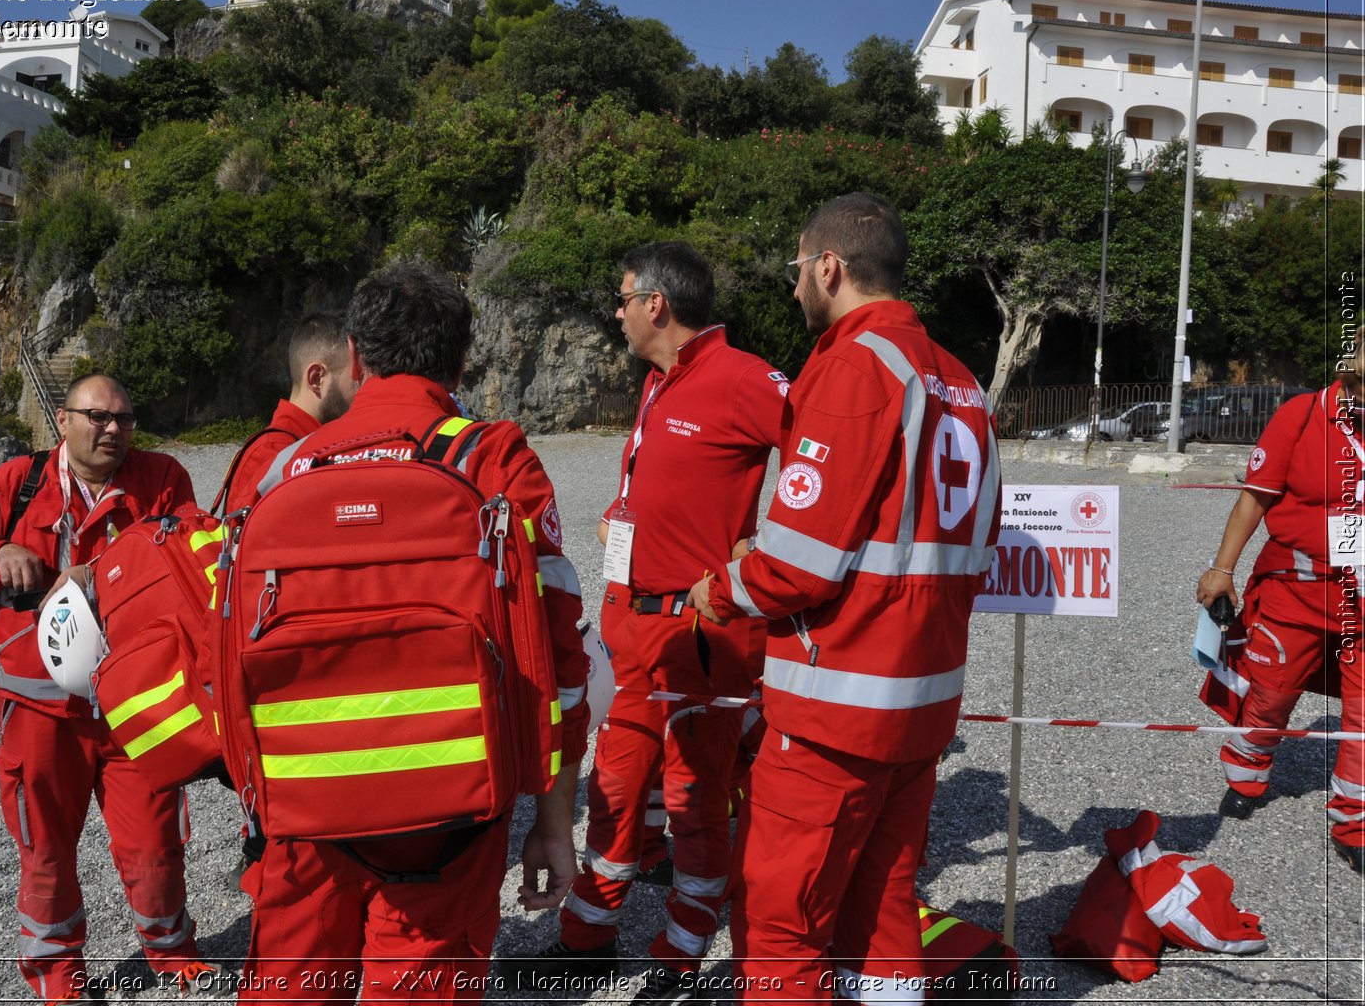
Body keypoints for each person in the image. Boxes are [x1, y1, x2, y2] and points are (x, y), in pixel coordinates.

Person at [236, 258, 591, 999]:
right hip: (450, 814)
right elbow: (561, 661)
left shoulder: (281, 470)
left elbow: (232, 646)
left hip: (305, 806)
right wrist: (554, 819)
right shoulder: (495, 462)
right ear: (463, 360)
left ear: (356, 358)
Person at [690, 194, 1001, 1003]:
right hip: (924, 701)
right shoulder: (962, 380)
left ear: (828, 266)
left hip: (837, 708)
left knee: (779, 924)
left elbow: (798, 563)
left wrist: (722, 588)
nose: (795, 287)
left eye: (798, 268)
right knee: (885, 912)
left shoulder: (853, 363)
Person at [510, 241, 784, 1002]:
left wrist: (760, 560)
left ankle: (682, 950)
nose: (617, 311)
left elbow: (832, 455)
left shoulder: (742, 378)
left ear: (657, 304)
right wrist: (620, 518)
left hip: (701, 642)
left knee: (697, 803)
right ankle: (587, 936)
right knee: (617, 790)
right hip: (633, 634)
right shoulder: (661, 382)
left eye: (624, 298)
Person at [0, 373, 215, 1001]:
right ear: (63, 422)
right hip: (35, 703)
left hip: (140, 703)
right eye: (97, 416)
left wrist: (113, 571)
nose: (112, 428)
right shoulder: (17, 482)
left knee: (156, 843)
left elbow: (197, 552)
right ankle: (56, 972)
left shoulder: (163, 478)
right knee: (45, 848)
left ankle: (171, 951)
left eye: (123, 418)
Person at [1196, 355, 1364, 873]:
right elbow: (1255, 499)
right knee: (1271, 694)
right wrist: (1221, 568)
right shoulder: (1303, 414)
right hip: (1297, 590)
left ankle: (1353, 818)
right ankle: (1247, 769)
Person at [223, 309, 357, 514]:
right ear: (316, 378)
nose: (362, 389)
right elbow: (244, 540)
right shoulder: (269, 452)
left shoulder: (304, 441)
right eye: (355, 380)